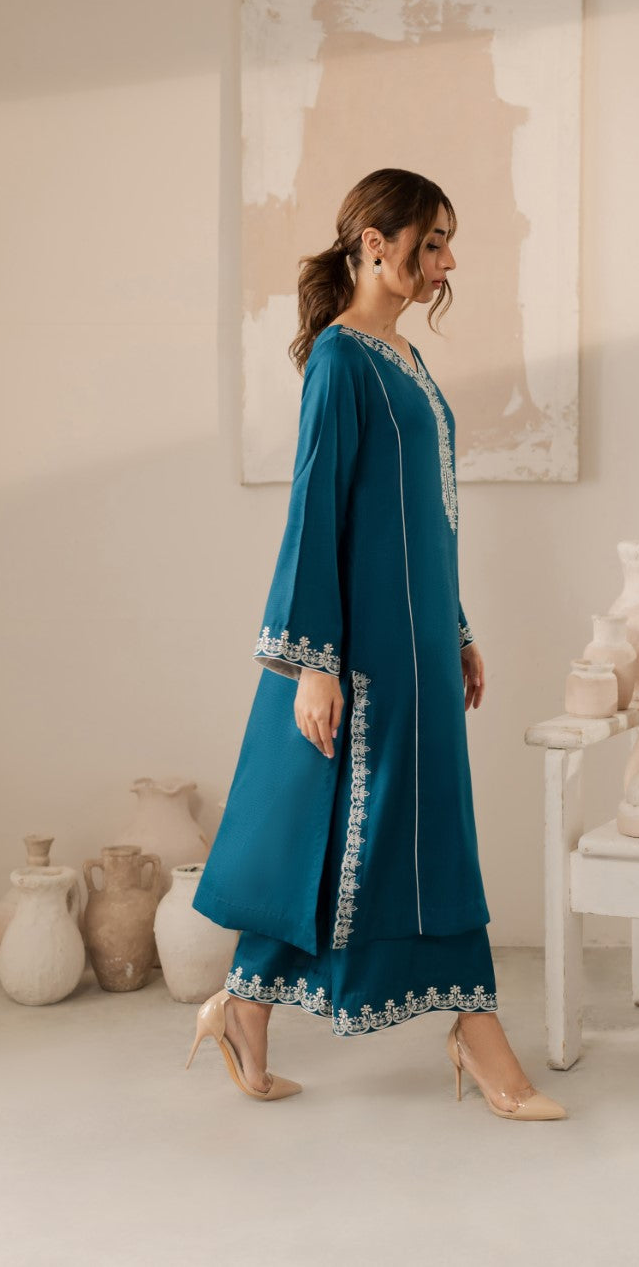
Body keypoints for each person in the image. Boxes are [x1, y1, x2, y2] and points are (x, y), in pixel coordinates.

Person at [185, 168, 567, 1121]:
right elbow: (317, 510)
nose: (446, 261)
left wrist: (457, 626)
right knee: (396, 827)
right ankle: (477, 1032)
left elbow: (418, 518)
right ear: (373, 243)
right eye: (431, 242)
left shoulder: (405, 358)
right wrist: (313, 662)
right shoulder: (341, 360)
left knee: (403, 828)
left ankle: (243, 1010)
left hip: (421, 645)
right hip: (365, 651)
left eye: (445, 243)